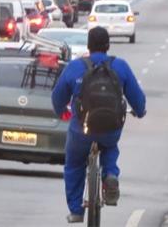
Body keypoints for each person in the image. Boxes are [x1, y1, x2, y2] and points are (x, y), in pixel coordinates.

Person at [51, 27, 146, 223]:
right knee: (110, 147)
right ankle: (110, 175)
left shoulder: (75, 67)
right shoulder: (120, 66)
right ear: (108, 45)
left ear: (88, 46)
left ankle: (76, 210)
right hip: (111, 129)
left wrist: (61, 111)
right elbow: (137, 98)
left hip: (81, 130)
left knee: (74, 163)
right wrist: (139, 110)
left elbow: (57, 97)